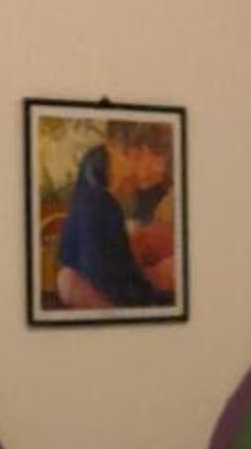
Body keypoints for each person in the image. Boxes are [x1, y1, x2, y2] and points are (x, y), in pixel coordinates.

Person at [52, 120, 177, 309]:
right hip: (96, 291)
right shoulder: (98, 203)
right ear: (125, 151)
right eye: (157, 156)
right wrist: (157, 281)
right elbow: (114, 283)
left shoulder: (97, 185)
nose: (160, 170)